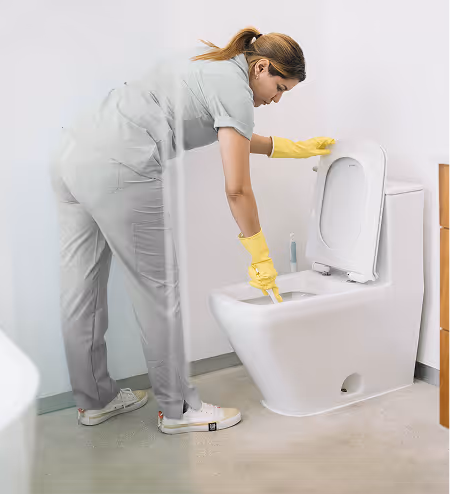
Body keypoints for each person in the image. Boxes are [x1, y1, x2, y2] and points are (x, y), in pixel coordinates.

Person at [49, 26, 334, 435]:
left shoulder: (210, 59)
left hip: (72, 155)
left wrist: (289, 146)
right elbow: (237, 189)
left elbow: (229, 130)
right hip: (121, 165)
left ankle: (95, 400)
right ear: (262, 67)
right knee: (157, 291)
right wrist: (260, 255)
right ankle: (179, 409)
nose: (276, 98)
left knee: (81, 290)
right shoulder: (236, 90)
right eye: (280, 87)